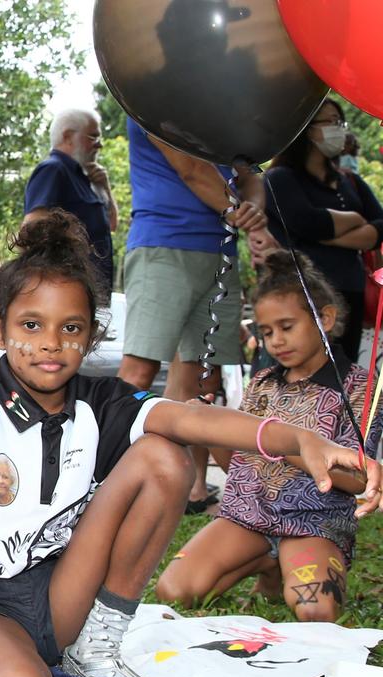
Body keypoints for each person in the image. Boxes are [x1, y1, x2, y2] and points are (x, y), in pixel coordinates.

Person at [0, 210, 379, 677]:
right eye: (31, 325)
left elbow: (191, 421)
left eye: (71, 328)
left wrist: (299, 439)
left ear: (92, 337)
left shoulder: (98, 401)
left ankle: (96, 647)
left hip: (60, 591)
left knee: (163, 454)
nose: (51, 342)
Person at [157, 253, 374, 622]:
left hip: (314, 524)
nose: (276, 341)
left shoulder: (358, 388)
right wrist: (210, 428)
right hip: (247, 518)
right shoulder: (261, 384)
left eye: (287, 327)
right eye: (267, 331)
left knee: (315, 608)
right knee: (173, 590)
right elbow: (236, 466)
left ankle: (281, 566)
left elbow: (358, 481)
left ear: (325, 319)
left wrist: (288, 446)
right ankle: (267, 562)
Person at [119, 116, 276, 514]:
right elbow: (190, 167)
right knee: (137, 373)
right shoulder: (150, 91)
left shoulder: (220, 100)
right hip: (163, 246)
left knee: (198, 383)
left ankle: (183, 492)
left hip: (219, 250)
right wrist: (241, 212)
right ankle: (107, 487)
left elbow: (250, 171)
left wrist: (253, 209)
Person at [265, 98, 383, 362]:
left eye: (340, 123)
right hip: (302, 294)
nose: (338, 129)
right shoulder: (280, 178)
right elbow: (307, 223)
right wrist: (355, 218)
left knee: (345, 373)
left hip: (350, 292)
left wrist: (333, 237)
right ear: (306, 128)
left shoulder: (349, 180)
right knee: (303, 374)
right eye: (330, 122)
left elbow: (380, 225)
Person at [23, 108, 117, 299]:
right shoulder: (53, 169)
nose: (99, 145)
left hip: (93, 291)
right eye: (93, 137)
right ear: (67, 136)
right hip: (67, 290)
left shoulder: (85, 178)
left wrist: (105, 187)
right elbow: (32, 229)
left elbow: (112, 225)